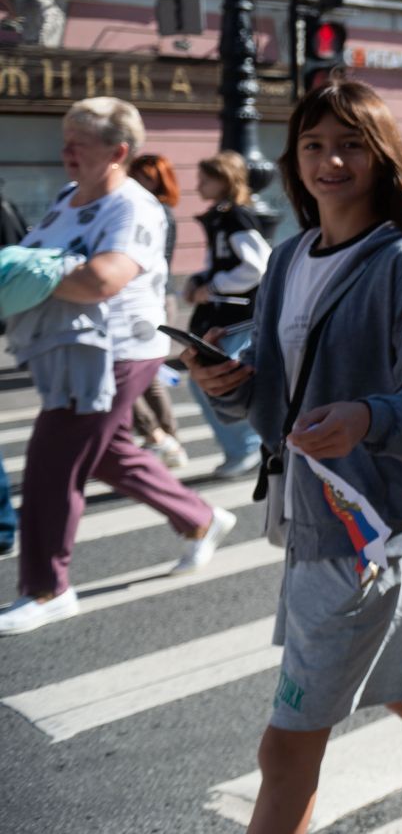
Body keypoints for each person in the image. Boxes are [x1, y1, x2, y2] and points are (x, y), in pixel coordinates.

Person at [188, 79, 402, 834]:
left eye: (349, 144)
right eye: (314, 144)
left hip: (370, 524)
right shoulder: (287, 258)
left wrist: (365, 418)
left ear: (381, 158)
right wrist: (228, 384)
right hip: (315, 514)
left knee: (285, 748)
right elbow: (278, 398)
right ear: (293, 158)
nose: (330, 160)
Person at [0, 99, 235, 636]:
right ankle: (200, 518)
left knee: (51, 461)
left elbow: (102, 280)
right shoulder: (66, 198)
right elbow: (55, 265)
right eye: (65, 140)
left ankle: (47, 589)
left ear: (118, 151)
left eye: (78, 144)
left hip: (116, 351)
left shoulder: (134, 208)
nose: (65, 153)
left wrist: (30, 271)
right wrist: (37, 270)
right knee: (105, 455)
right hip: (71, 348)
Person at [182, 151, 272, 479]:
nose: (198, 185)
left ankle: (248, 446)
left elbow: (258, 266)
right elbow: (218, 264)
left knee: (221, 380)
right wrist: (197, 282)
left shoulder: (235, 217)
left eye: (205, 179)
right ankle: (245, 446)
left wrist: (214, 286)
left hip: (241, 316)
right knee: (210, 381)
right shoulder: (221, 217)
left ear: (224, 179)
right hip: (226, 316)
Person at [126, 153, 189, 469]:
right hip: (155, 298)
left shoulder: (153, 210)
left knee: (129, 372)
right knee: (146, 373)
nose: (137, 182)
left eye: (145, 176)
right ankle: (165, 437)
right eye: (135, 175)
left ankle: (157, 436)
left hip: (149, 300)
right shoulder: (155, 209)